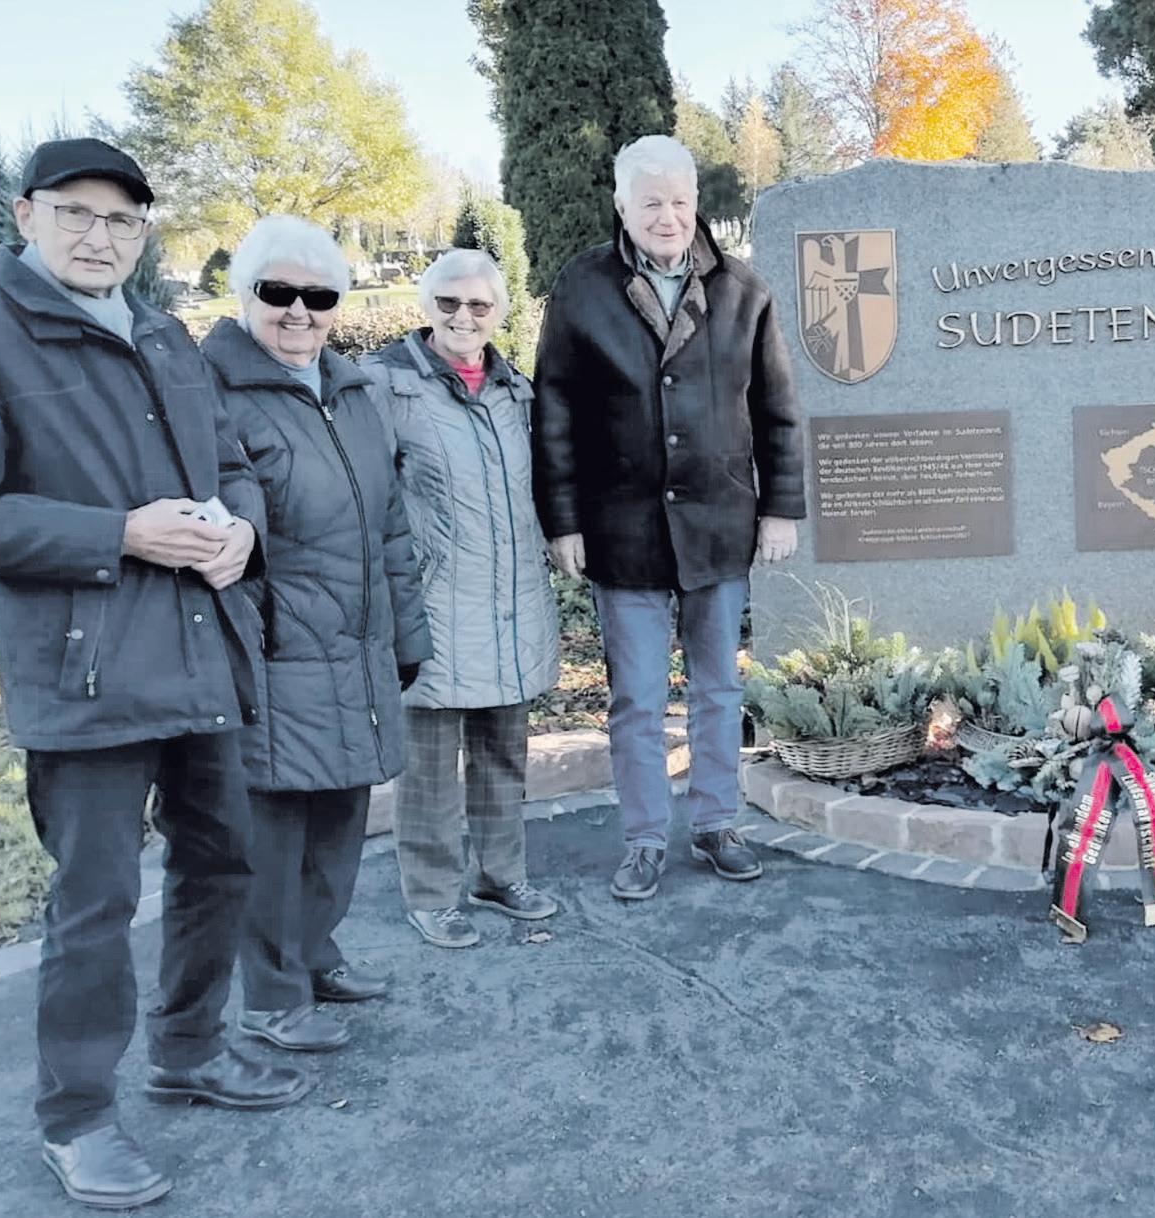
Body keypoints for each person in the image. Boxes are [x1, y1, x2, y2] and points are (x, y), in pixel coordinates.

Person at [0, 139, 308, 1210]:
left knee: (220, 862)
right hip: (84, 674)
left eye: (122, 220)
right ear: (25, 215)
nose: (100, 236)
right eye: (77, 213)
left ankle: (189, 1050)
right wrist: (118, 534)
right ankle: (78, 1118)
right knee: (95, 902)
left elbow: (229, 462)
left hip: (200, 651)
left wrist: (243, 532)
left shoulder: (161, 331)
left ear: (143, 233)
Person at [532, 134, 805, 901]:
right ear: (622, 207)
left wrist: (781, 508)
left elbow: (778, 409)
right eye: (651, 202)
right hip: (622, 531)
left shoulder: (743, 291)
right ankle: (645, 838)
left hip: (720, 523)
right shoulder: (582, 288)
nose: (668, 216)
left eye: (680, 201)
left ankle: (717, 824)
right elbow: (554, 411)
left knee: (718, 691)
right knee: (638, 699)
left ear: (696, 204)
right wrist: (563, 521)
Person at [200, 217, 430, 1051]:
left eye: (319, 295)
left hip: (358, 649)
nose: (299, 311)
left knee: (339, 817)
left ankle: (314, 955)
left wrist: (407, 636)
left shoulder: (355, 392)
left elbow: (390, 526)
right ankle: (271, 995)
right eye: (279, 292)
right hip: (274, 652)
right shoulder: (213, 393)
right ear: (245, 295)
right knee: (275, 832)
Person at [364, 249, 562, 948]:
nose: (463, 317)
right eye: (448, 302)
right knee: (428, 770)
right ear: (427, 307)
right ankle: (431, 894)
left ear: (498, 312)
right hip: (433, 605)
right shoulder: (385, 386)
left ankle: (499, 875)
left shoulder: (517, 392)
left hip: (510, 601)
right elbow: (369, 499)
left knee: (504, 753)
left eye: (479, 305)